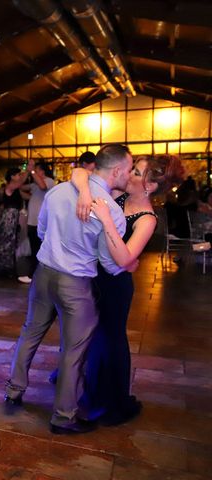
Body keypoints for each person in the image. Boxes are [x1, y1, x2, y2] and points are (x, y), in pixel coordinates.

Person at [4, 144, 133, 435]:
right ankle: (64, 417)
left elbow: (42, 231)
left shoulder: (59, 190)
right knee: (74, 350)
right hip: (75, 284)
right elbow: (105, 260)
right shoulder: (111, 211)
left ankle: (13, 390)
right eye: (130, 168)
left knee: (30, 331)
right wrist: (126, 264)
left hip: (43, 273)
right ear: (117, 171)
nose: (130, 173)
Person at [72, 154, 184, 425]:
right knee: (94, 337)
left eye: (137, 172)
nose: (129, 174)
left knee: (111, 341)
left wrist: (107, 219)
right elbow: (78, 173)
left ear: (150, 186)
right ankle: (91, 389)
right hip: (94, 277)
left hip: (115, 286)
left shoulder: (147, 219)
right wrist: (86, 193)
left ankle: (114, 400)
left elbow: (126, 259)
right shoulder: (118, 193)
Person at [21, 160, 55, 282]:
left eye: (37, 169)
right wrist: (26, 172)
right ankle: (36, 275)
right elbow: (22, 187)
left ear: (43, 170)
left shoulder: (49, 181)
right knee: (34, 249)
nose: (35, 171)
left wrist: (32, 171)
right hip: (32, 221)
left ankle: (35, 276)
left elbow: (42, 186)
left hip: (42, 222)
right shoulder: (35, 183)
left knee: (40, 249)